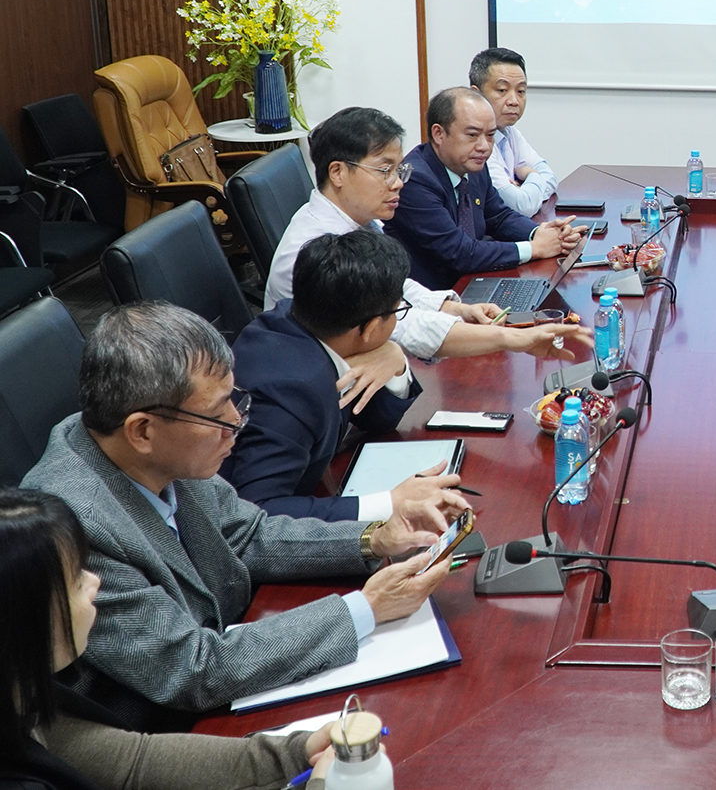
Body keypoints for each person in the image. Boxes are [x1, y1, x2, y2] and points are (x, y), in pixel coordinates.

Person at [19, 302, 458, 732]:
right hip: (165, 731)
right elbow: (190, 670)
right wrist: (365, 608)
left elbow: (246, 535)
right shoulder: (74, 525)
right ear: (143, 431)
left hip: (229, 663)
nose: (237, 421)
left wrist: (375, 538)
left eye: (234, 399)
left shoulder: (155, 447)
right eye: (217, 414)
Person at [0, 487, 355, 790]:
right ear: (23, 616)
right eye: (77, 581)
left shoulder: (21, 692)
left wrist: (295, 754)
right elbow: (194, 671)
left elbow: (132, 762)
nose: (95, 583)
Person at [264, 106, 589, 363]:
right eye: (385, 170)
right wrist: (512, 339)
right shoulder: (315, 249)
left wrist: (458, 309)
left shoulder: (357, 220)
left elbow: (395, 288)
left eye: (399, 170)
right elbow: (399, 326)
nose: (397, 183)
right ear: (337, 172)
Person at [226, 232, 468, 522]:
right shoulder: (292, 392)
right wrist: (390, 503)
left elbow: (376, 420)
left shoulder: (301, 315)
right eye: (398, 311)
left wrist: (392, 357)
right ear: (369, 329)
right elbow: (257, 511)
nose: (397, 319)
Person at [385, 88, 585, 290]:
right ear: (439, 134)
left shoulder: (473, 165)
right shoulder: (416, 180)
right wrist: (535, 248)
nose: (484, 146)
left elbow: (498, 216)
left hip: (475, 283)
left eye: (490, 135)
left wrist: (540, 233)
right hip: (435, 295)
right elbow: (460, 253)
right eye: (472, 135)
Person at [471, 47, 557, 217]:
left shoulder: (509, 132)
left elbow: (550, 177)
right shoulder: (474, 143)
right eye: (502, 90)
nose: (514, 101)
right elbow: (522, 206)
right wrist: (532, 176)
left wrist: (525, 192)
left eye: (520, 91)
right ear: (476, 95)